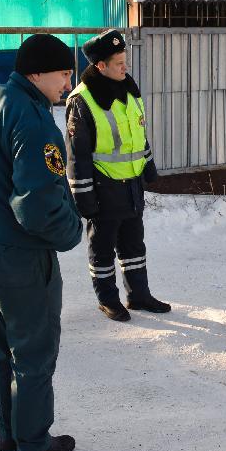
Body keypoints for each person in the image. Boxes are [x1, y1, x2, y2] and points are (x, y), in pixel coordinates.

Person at [0, 33, 82, 451]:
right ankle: (33, 442)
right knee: (34, 356)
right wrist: (72, 232)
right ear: (37, 72)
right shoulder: (31, 117)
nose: (67, 84)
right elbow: (37, 206)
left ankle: (8, 430)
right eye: (64, 74)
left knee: (5, 349)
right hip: (20, 259)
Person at [64, 29, 170, 322]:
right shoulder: (82, 100)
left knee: (134, 245)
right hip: (103, 185)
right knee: (102, 249)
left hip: (132, 183)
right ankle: (108, 299)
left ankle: (139, 295)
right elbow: (77, 156)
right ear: (100, 66)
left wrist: (148, 166)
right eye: (119, 63)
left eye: (125, 60)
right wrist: (83, 196)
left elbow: (138, 134)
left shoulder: (128, 87)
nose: (126, 67)